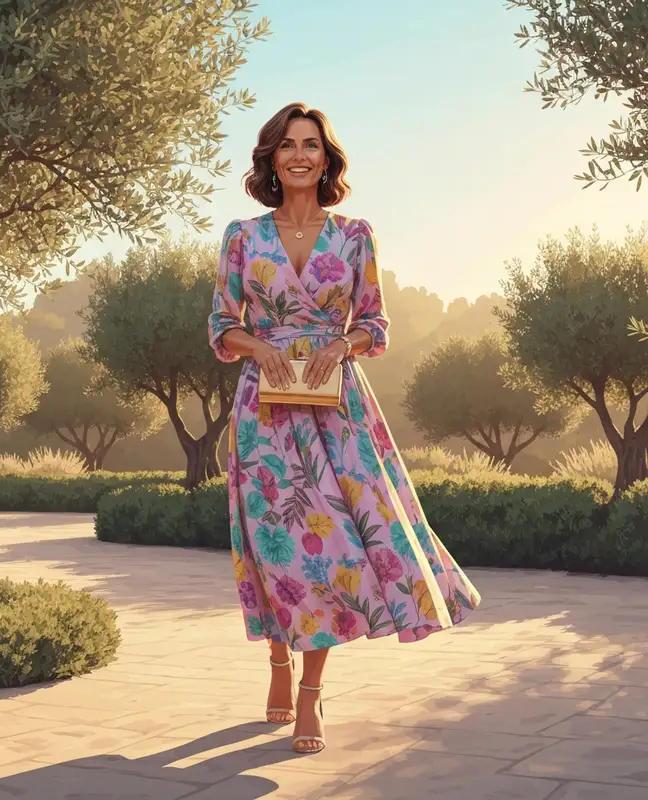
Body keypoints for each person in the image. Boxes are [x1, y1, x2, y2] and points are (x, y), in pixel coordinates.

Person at [207, 102, 481, 755]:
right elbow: (222, 327)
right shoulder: (242, 237)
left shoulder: (355, 235)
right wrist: (259, 347)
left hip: (337, 411)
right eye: (287, 145)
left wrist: (342, 345)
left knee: (332, 552)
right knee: (277, 549)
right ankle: (277, 660)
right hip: (264, 415)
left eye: (311, 145)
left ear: (326, 159)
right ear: (270, 159)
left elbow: (376, 325)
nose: (300, 155)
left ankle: (310, 692)